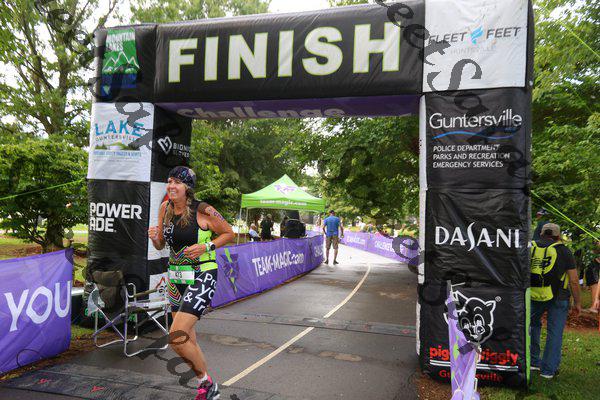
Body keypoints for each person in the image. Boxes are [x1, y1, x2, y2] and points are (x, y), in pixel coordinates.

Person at [148, 166, 234, 400]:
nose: (171, 186)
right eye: (169, 181)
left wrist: (207, 246)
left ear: (187, 187)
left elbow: (229, 233)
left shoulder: (203, 209)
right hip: (176, 278)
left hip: (202, 275)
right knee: (186, 339)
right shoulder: (165, 208)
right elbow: (161, 245)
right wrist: (155, 238)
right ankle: (206, 386)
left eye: (177, 182)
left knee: (176, 336)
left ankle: (207, 382)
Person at [530, 223, 581, 379]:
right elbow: (574, 280)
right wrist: (578, 303)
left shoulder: (530, 247)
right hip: (559, 297)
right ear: (558, 236)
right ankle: (548, 370)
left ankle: (533, 361)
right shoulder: (564, 251)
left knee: (532, 326)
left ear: (541, 233)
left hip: (533, 295)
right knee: (554, 332)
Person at [586, 242, 600, 313]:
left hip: (596, 265)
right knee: (593, 283)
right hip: (594, 264)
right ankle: (594, 305)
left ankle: (594, 306)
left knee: (595, 283)